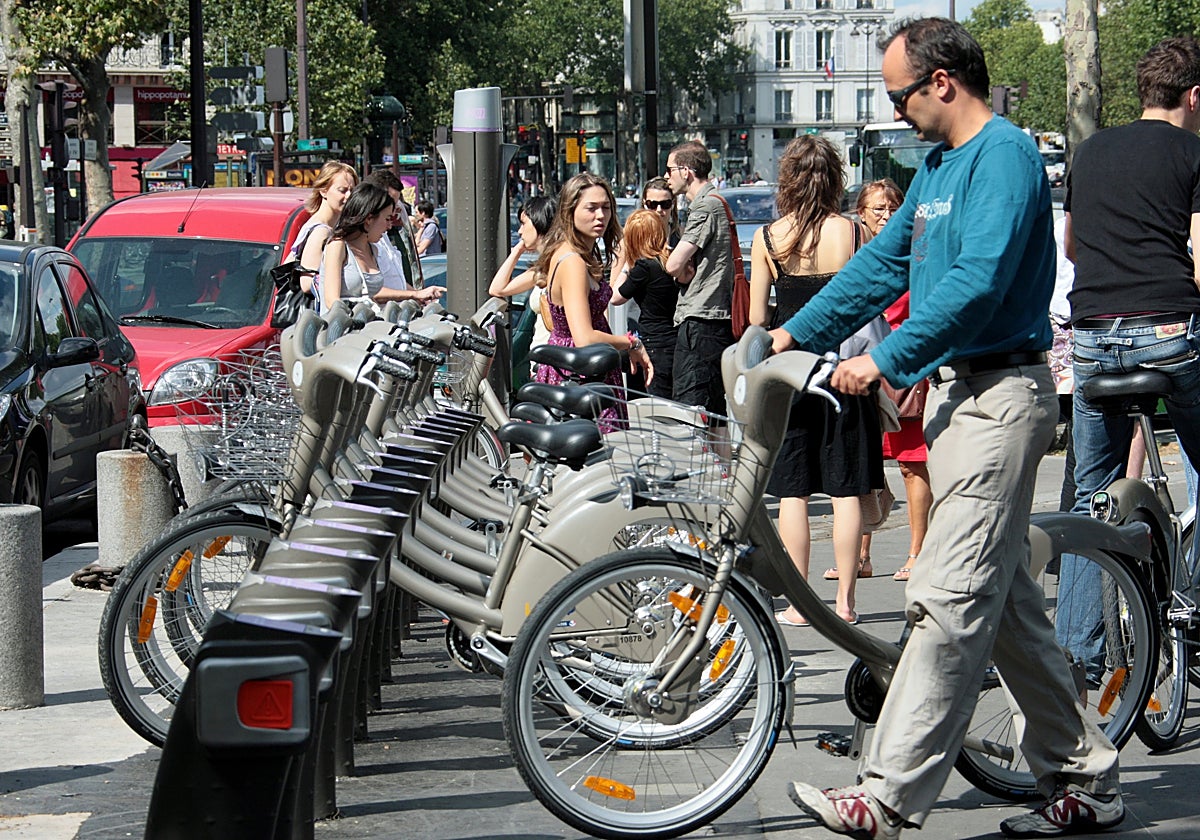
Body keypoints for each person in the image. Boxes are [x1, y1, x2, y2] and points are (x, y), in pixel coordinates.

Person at [776, 18, 1122, 839]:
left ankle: (887, 796)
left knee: (946, 595)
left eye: (898, 94)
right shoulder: (935, 167)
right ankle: (1088, 777)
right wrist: (794, 335)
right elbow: (880, 265)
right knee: (1004, 609)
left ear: (941, 82)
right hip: (961, 396)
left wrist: (887, 359)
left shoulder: (1001, 156)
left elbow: (978, 278)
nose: (895, 111)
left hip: (1003, 392)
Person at [1056, 35, 1200, 700]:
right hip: (1170, 331)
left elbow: (1074, 246)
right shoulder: (1193, 152)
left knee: (1091, 498)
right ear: (1194, 97)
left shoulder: (1089, 152)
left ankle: (1075, 661)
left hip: (1092, 339)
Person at [750, 136, 883, 625]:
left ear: (787, 180)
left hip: (791, 375)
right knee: (846, 488)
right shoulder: (851, 232)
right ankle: (846, 603)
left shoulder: (767, 238)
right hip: (847, 372)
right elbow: (870, 300)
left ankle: (801, 604)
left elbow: (755, 318)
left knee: (793, 491)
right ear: (834, 180)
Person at [853, 178, 932, 583]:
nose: (884, 216)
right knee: (865, 465)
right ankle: (861, 555)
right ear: (860, 214)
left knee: (910, 465)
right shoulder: (856, 255)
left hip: (903, 370)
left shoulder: (913, 254)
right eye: (876, 209)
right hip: (864, 368)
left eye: (891, 208)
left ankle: (917, 550)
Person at [533, 173, 652, 430]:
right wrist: (631, 343)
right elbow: (584, 337)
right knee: (598, 459)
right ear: (570, 210)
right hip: (578, 373)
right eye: (591, 208)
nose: (601, 216)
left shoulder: (579, 253)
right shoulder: (573, 261)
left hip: (587, 368)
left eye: (606, 207)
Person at [664, 141, 734, 414]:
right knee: (714, 413)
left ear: (686, 170)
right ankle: (720, 459)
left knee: (692, 410)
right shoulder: (717, 202)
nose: (667, 176)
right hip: (713, 320)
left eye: (671, 170)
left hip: (702, 319)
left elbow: (674, 265)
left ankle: (706, 458)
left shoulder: (706, 207)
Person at [322, 183, 441, 314]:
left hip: (373, 327)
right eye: (387, 219)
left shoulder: (374, 249)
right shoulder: (338, 245)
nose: (389, 226)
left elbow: (376, 293)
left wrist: (416, 294)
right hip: (346, 329)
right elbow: (331, 301)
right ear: (369, 219)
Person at [611, 209, 679, 398]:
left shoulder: (644, 267)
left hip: (653, 341)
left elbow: (615, 297)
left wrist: (626, 266)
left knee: (657, 403)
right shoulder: (670, 263)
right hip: (675, 339)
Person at [362, 170, 441, 304]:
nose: (395, 209)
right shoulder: (361, 241)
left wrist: (418, 295)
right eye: (392, 202)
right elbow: (374, 291)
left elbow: (397, 282)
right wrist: (414, 295)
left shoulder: (384, 235)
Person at [287, 160, 357, 306]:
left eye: (352, 190)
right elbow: (306, 283)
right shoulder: (320, 231)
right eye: (342, 190)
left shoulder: (329, 227)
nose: (349, 196)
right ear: (323, 191)